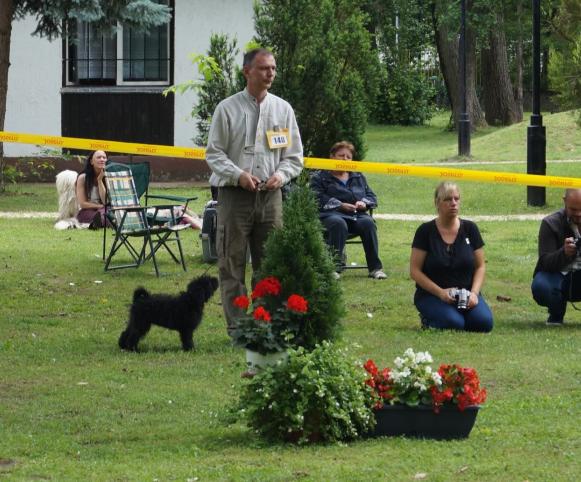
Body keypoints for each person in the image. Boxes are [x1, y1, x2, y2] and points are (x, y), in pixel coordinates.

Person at [205, 48, 303, 334]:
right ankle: (238, 327)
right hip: (234, 197)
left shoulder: (283, 109)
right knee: (232, 263)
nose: (270, 73)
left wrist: (281, 176)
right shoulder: (227, 108)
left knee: (270, 264)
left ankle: (265, 325)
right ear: (247, 71)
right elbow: (214, 154)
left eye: (273, 68)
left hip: (270, 197)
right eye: (263, 68)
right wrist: (238, 176)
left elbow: (295, 156)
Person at [409, 181, 493, 332]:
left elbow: (480, 266)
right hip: (432, 295)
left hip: (465, 294)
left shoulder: (470, 229)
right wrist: (441, 293)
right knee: (455, 323)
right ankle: (428, 319)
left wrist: (474, 294)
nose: (453, 203)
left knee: (484, 324)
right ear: (437, 203)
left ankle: (458, 315)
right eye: (448, 199)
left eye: (456, 198)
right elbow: (415, 271)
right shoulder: (425, 231)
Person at [310, 141, 386, 279]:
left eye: (348, 157)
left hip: (356, 215)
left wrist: (363, 203)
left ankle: (375, 269)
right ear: (332, 157)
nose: (345, 159)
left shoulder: (357, 176)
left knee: (368, 223)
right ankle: (334, 268)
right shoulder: (320, 177)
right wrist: (339, 205)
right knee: (338, 223)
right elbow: (316, 197)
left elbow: (371, 196)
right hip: (330, 216)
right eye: (341, 155)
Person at [531, 188, 581, 325]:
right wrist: (564, 253)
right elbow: (544, 263)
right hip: (559, 276)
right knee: (542, 287)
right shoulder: (550, 223)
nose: (578, 214)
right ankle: (556, 312)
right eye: (573, 209)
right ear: (565, 201)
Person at [76, 150, 108, 228]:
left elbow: (105, 201)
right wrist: (100, 206)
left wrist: (100, 180)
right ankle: (100, 221)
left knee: (107, 213)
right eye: (99, 157)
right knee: (99, 215)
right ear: (91, 161)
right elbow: (83, 204)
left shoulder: (108, 177)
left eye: (104, 157)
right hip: (88, 210)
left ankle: (100, 221)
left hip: (104, 209)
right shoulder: (82, 178)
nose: (102, 159)